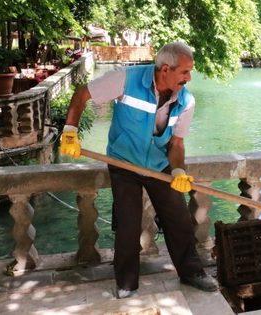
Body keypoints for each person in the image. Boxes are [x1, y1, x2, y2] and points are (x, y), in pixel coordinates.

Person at [60, 42, 218, 299]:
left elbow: (176, 143)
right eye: (185, 72)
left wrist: (178, 170)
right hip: (124, 163)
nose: (189, 78)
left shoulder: (186, 100)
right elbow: (82, 95)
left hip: (158, 164)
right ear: (165, 69)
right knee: (127, 223)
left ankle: (192, 272)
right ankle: (126, 282)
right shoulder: (125, 79)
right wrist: (70, 130)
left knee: (179, 218)